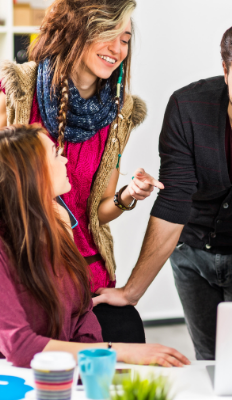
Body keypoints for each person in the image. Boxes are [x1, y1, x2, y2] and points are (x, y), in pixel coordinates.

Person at [93, 10, 232, 360]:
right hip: (190, 255)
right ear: (225, 70)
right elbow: (174, 203)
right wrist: (131, 292)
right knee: (210, 362)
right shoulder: (188, 107)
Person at [0, 0, 160, 343]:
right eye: (108, 33)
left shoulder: (120, 114)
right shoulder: (16, 90)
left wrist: (128, 195)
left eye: (126, 39)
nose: (118, 49)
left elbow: (97, 212)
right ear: (76, 29)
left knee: (122, 353)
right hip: (24, 270)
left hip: (87, 275)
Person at [0, 125, 190, 368]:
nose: (66, 159)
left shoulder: (57, 223)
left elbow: (80, 316)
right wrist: (116, 352)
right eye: (56, 154)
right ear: (31, 173)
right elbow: (20, 347)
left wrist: (98, 375)